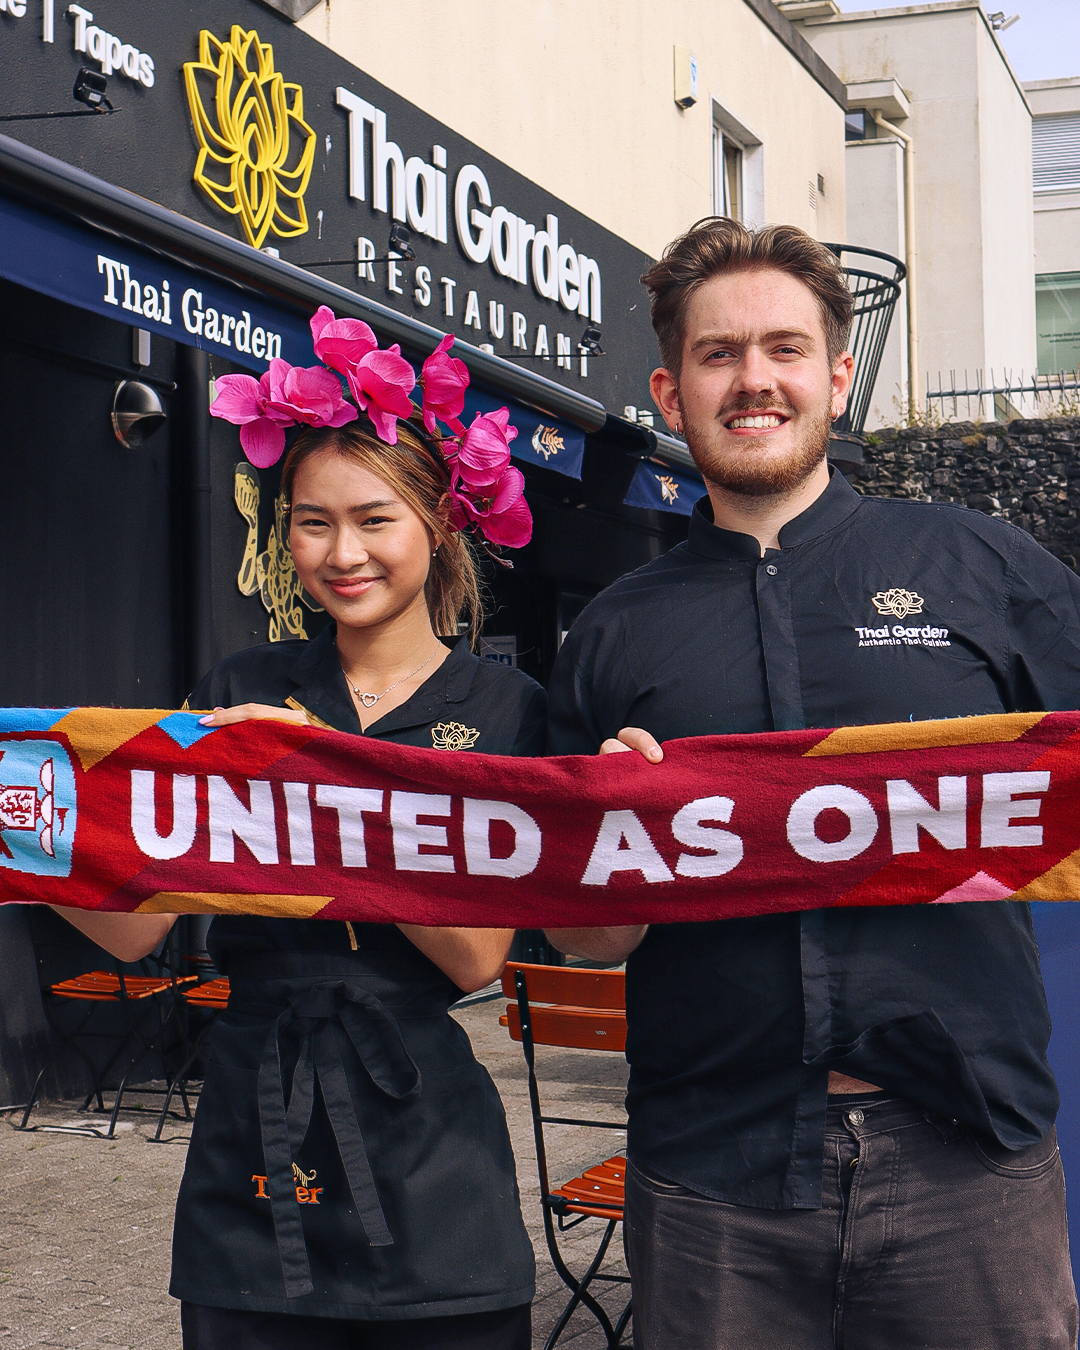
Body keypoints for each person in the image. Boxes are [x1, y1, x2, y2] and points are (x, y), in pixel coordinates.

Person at [544, 217, 1080, 1349]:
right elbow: (588, 943)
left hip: (969, 1158)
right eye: (719, 353)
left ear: (835, 377)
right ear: (671, 390)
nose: (754, 380)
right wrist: (609, 839)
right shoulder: (611, 633)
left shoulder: (981, 566)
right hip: (713, 1175)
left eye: (784, 348)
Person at [53, 317, 540, 1350]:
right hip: (251, 1117)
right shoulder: (242, 685)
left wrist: (319, 777)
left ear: (440, 523)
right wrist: (34, 839)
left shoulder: (507, 711)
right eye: (312, 523)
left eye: (374, 519)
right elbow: (138, 931)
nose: (342, 553)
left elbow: (473, 957)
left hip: (428, 1144)